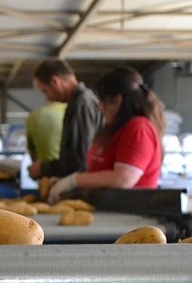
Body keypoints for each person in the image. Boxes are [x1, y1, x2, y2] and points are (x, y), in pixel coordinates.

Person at [46, 66, 166, 203]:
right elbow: (100, 172)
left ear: (117, 100)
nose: (100, 108)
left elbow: (123, 179)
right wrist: (67, 183)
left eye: (102, 102)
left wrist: (74, 180)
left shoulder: (139, 129)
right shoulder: (113, 131)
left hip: (132, 211)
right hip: (108, 209)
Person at [28, 59, 102, 180]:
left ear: (55, 82)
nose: (47, 98)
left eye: (45, 91)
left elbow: (79, 161)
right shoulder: (77, 103)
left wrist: (43, 168)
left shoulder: (82, 104)